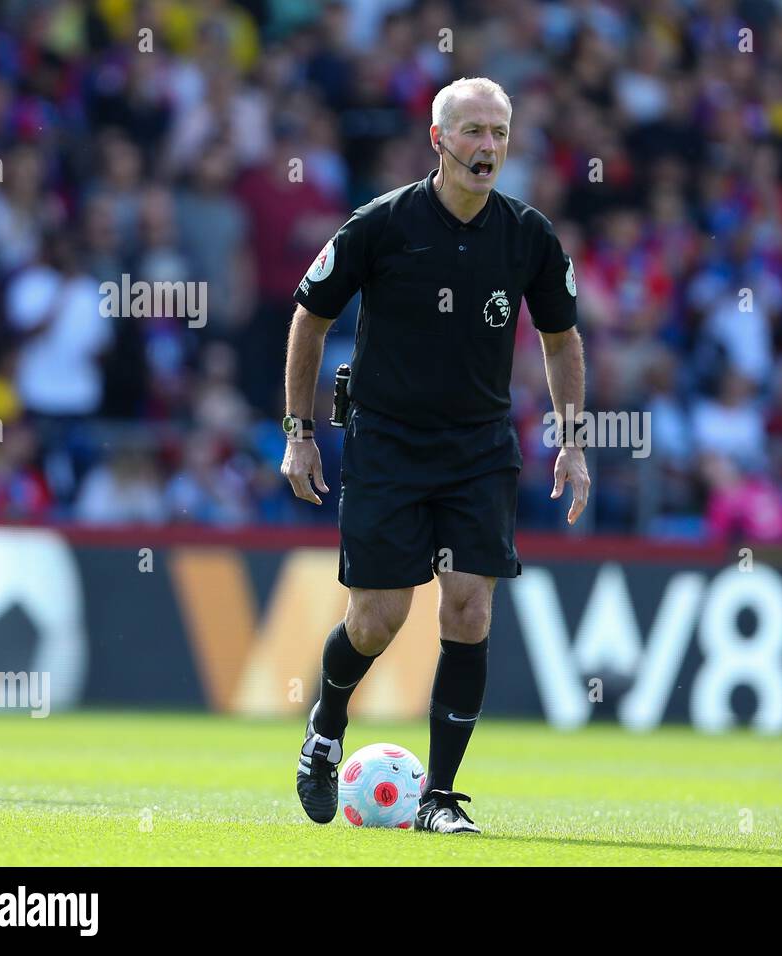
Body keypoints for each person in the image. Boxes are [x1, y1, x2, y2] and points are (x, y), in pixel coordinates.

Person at [281, 77, 588, 833]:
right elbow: (309, 319)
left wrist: (573, 440)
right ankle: (326, 727)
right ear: (438, 139)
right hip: (386, 441)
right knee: (378, 619)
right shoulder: (379, 226)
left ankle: (440, 797)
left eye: (499, 133)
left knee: (469, 605)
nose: (489, 147)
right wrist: (299, 432)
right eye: (474, 132)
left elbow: (560, 338)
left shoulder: (528, 236)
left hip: (479, 448)